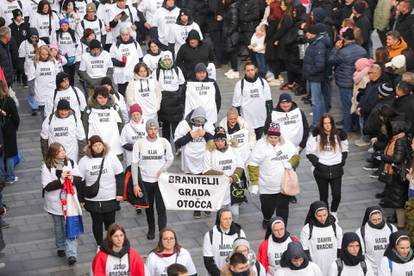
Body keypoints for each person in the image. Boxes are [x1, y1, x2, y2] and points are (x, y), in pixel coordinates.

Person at [248, 123, 299, 227]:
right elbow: (253, 164)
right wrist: (254, 183)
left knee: (283, 208)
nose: (273, 140)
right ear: (267, 136)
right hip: (266, 185)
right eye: (271, 137)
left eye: (275, 137)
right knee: (267, 207)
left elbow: (295, 155)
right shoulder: (260, 146)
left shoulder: (287, 144)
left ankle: (282, 226)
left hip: (283, 184)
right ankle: (267, 218)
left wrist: (290, 163)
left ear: (279, 137)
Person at [131, 119, 173, 240]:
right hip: (145, 181)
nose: (153, 131)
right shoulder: (139, 143)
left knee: (161, 208)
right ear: (147, 130)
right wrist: (135, 184)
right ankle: (151, 229)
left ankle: (163, 232)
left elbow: (170, 158)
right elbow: (134, 163)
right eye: (150, 129)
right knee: (148, 208)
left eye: (155, 129)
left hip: (160, 181)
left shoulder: (164, 142)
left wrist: (163, 168)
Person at [78, 135, 124, 246]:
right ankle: (99, 244)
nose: (98, 147)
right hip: (93, 198)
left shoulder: (111, 157)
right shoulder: (84, 161)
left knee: (110, 223)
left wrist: (120, 193)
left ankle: (111, 243)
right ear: (90, 147)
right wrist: (81, 198)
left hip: (110, 196)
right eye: (95, 145)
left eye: (100, 145)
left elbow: (120, 175)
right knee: (96, 222)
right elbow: (80, 181)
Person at [41, 142, 82, 265]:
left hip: (70, 203)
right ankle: (60, 246)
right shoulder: (47, 166)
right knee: (58, 226)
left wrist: (72, 178)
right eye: (59, 151)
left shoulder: (71, 163)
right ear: (53, 153)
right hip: (55, 203)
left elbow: (80, 178)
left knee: (70, 225)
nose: (63, 152)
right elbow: (47, 186)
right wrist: (61, 180)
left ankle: (72, 254)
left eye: (63, 150)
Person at [174, 106, 214, 219]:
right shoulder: (184, 125)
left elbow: (214, 140)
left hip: (203, 159)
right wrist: (189, 136)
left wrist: (205, 134)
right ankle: (197, 208)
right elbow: (177, 142)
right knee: (194, 185)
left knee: (204, 184)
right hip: (189, 160)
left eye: (201, 121)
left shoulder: (208, 125)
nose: (199, 123)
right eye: (197, 121)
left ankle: (206, 206)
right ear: (193, 120)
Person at [306, 114, 349, 217]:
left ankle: (333, 213)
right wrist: (318, 164)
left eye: (329, 123)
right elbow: (309, 152)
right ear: (322, 124)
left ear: (332, 124)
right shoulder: (316, 135)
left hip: (336, 169)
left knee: (337, 195)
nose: (327, 125)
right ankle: (325, 215)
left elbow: (345, 149)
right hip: (321, 170)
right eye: (325, 123)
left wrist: (341, 161)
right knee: (323, 196)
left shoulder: (339, 134)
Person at [328, 28, 367, 133]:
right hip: (358, 81)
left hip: (345, 82)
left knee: (346, 107)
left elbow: (331, 61)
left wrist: (335, 49)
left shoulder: (342, 52)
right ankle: (356, 126)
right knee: (355, 104)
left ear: (344, 39)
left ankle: (346, 128)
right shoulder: (362, 50)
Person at [203, 127, 244, 219]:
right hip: (218, 188)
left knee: (235, 214)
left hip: (233, 187)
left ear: (225, 140)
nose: (219, 143)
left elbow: (240, 166)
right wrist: (222, 176)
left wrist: (233, 177)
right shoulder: (209, 152)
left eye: (222, 140)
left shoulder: (234, 150)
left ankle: (233, 229)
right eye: (217, 140)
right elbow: (206, 171)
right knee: (220, 215)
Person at [376, 120, 410, 229]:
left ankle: (400, 225)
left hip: (398, 174)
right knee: (398, 200)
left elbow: (397, 158)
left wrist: (383, 157)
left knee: (398, 201)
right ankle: (398, 220)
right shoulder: (399, 139)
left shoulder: (399, 141)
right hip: (399, 174)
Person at [300, 201, 343, 276]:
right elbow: (305, 251)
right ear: (313, 215)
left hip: (333, 268)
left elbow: (340, 249)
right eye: (319, 216)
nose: (323, 218)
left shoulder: (336, 227)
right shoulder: (307, 229)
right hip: (316, 269)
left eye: (325, 215)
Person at [232, 62, 273, 140]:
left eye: (252, 70)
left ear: (255, 70)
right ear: (245, 71)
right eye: (248, 70)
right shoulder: (240, 84)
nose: (250, 72)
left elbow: (269, 101)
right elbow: (236, 105)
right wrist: (239, 121)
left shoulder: (263, 82)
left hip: (261, 120)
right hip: (247, 121)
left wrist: (269, 117)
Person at [82, 86, 124, 157]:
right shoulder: (89, 109)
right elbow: (85, 125)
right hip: (96, 143)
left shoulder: (114, 107)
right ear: (95, 97)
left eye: (105, 97)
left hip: (113, 142)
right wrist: (87, 140)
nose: (103, 100)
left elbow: (120, 123)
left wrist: (120, 137)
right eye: (100, 98)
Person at [203, 208, 246, 275]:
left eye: (230, 218)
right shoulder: (209, 235)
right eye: (225, 219)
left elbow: (244, 256)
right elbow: (208, 261)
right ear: (219, 219)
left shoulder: (240, 233)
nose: (228, 221)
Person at [303, 24, 331, 128]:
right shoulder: (316, 42)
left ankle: (316, 123)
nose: (307, 34)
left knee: (316, 101)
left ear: (314, 34)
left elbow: (320, 65)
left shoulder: (318, 45)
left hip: (315, 77)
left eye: (309, 32)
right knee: (320, 99)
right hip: (316, 76)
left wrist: (309, 71)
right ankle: (322, 120)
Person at [153, 51, 185, 142]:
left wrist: (178, 97)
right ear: (161, 61)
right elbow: (154, 87)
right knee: (165, 127)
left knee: (176, 127)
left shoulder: (177, 70)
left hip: (175, 102)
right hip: (163, 102)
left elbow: (182, 84)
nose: (167, 62)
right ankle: (165, 145)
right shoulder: (156, 72)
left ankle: (177, 145)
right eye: (165, 60)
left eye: (168, 60)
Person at [355, 206, 397, 275]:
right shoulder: (361, 232)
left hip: (389, 270)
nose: (377, 222)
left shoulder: (392, 228)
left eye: (379, 219)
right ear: (368, 219)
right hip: (371, 271)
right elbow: (360, 254)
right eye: (374, 220)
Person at [18, 27, 46, 115]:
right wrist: (21, 69)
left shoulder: (41, 43)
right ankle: (34, 106)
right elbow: (21, 58)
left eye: (35, 37)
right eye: (32, 37)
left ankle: (41, 102)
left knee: (40, 87)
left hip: (41, 69)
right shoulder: (24, 44)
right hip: (29, 71)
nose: (34, 39)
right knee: (31, 89)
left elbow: (47, 54)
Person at [110, 26, 143, 96]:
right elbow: (111, 58)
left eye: (127, 35)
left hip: (132, 72)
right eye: (123, 35)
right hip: (121, 73)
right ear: (120, 35)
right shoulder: (115, 45)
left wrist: (139, 70)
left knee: (134, 92)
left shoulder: (135, 44)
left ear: (129, 34)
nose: (125, 37)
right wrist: (120, 63)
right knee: (121, 92)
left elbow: (140, 57)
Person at [0, 80, 19, 184]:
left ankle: (1, 176)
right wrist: (15, 126)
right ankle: (10, 177)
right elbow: (16, 118)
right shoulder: (9, 100)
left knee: (0, 154)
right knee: (10, 154)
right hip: (9, 128)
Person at [52, 18, 79, 86]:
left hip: (72, 57)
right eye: (62, 25)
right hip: (62, 58)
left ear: (68, 25)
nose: (64, 27)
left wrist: (77, 56)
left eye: (66, 25)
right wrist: (57, 56)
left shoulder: (73, 33)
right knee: (64, 75)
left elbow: (78, 45)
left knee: (72, 75)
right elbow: (54, 46)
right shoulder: (56, 34)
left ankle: (71, 87)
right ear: (60, 26)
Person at [9, 9, 29, 87]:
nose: (19, 17)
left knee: (24, 65)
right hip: (15, 49)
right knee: (16, 65)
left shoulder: (26, 25)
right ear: (14, 17)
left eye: (20, 15)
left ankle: (25, 81)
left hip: (24, 48)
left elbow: (28, 36)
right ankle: (16, 78)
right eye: (18, 16)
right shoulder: (11, 27)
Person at [221, 0, 240, 80]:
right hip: (228, 34)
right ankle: (232, 69)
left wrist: (228, 32)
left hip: (232, 35)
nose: (222, 1)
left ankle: (236, 71)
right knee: (230, 52)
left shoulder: (233, 9)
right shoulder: (229, 8)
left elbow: (234, 23)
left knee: (233, 53)